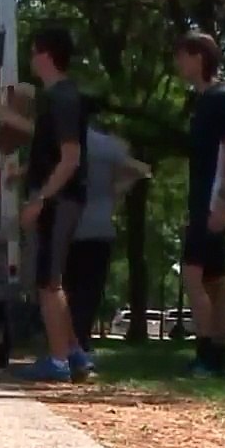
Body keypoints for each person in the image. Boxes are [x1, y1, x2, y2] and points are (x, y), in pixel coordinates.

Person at [13, 26, 90, 382]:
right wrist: (26, 171)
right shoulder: (59, 97)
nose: (30, 58)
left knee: (48, 281)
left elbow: (70, 157)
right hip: (60, 198)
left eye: (32, 51)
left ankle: (57, 361)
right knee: (52, 278)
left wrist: (39, 199)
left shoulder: (62, 98)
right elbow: (56, 153)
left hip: (59, 200)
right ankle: (75, 353)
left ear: (45, 55)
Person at [174, 31, 225, 379]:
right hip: (202, 201)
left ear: (199, 57)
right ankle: (218, 358)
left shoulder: (222, 98)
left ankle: (207, 354)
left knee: (193, 276)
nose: (177, 62)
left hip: (213, 201)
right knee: (214, 281)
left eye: (181, 55)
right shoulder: (201, 102)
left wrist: (221, 200)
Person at [63, 118, 132, 362]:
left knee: (68, 288)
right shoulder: (114, 147)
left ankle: (67, 343)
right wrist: (112, 194)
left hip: (69, 227)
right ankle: (82, 341)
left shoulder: (65, 144)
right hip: (100, 227)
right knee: (90, 291)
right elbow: (130, 176)